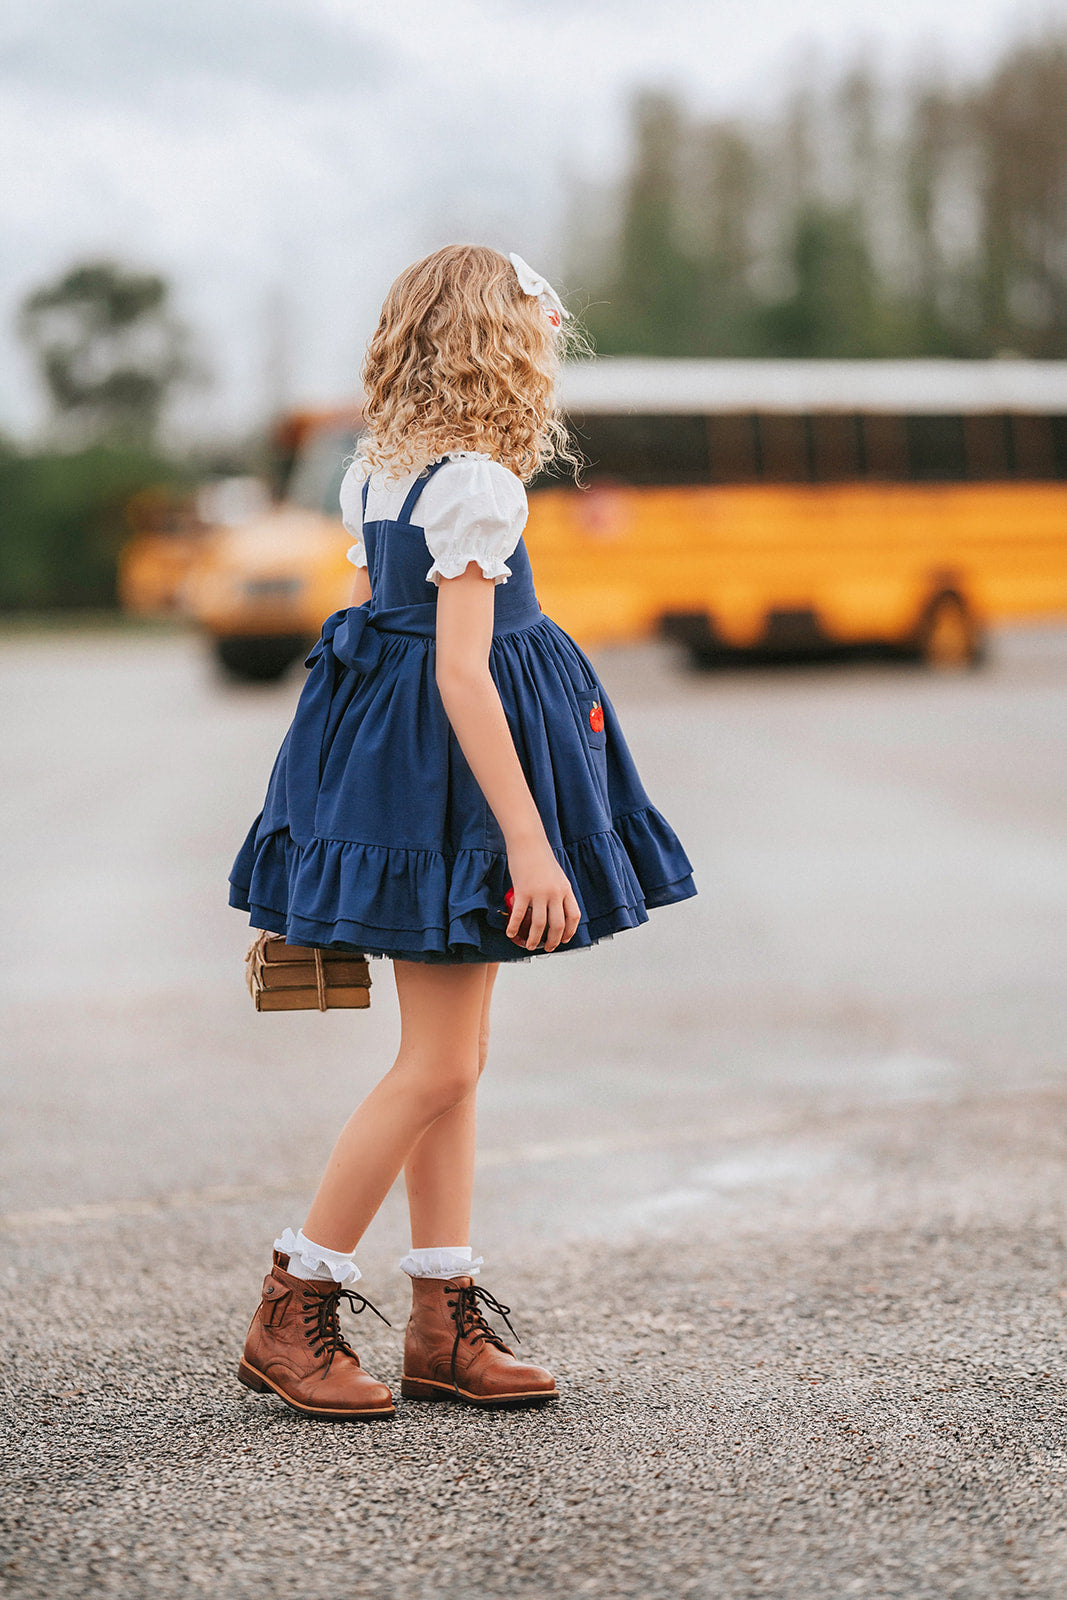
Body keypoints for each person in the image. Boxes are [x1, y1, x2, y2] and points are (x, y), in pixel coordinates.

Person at [228, 245, 697, 1421]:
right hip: (455, 793)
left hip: (402, 785)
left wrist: (327, 808)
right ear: (498, 343)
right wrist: (530, 844)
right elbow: (460, 670)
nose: (549, 350)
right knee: (439, 1062)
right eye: (541, 332)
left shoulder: (382, 471)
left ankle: (441, 1316)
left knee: (456, 1062)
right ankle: (294, 1303)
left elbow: (360, 641)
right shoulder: (477, 479)